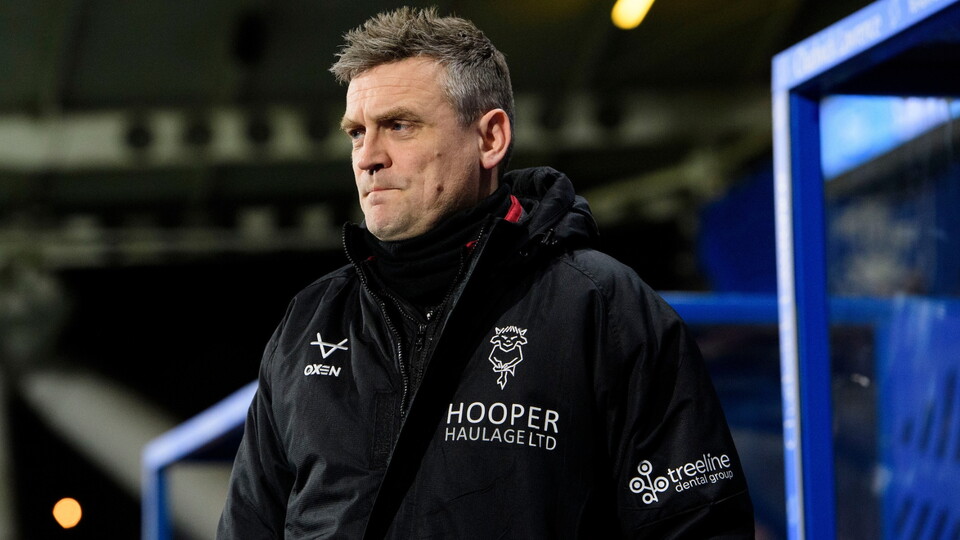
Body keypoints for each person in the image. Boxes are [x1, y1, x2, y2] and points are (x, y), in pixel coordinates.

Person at [218, 7, 754, 539]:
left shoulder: (604, 308)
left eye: (399, 125)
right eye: (357, 132)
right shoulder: (309, 322)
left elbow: (697, 528)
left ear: (490, 139)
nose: (368, 157)